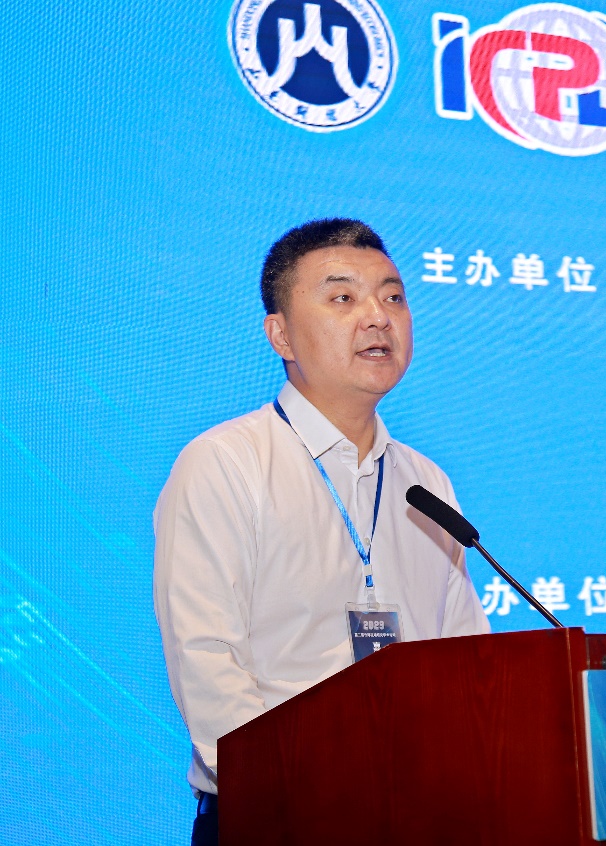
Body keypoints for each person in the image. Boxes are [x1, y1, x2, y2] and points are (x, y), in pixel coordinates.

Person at [153, 219, 490, 845]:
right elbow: (207, 660)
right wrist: (299, 789)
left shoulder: (426, 481)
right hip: (279, 817)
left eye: (393, 297)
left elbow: (465, 660)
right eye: (343, 297)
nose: (378, 317)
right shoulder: (227, 463)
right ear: (280, 334)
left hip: (419, 814)